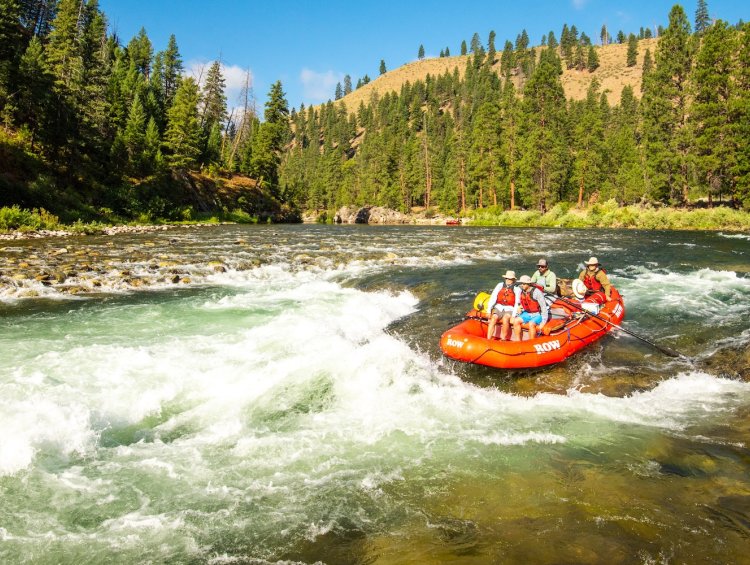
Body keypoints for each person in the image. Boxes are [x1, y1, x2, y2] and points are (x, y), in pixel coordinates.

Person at [485, 270, 521, 340]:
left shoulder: (517, 289)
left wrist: (513, 316)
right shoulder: (500, 285)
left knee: (505, 318)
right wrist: (488, 310)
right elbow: (493, 297)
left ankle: (503, 339)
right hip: (499, 307)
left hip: (510, 308)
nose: (507, 280)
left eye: (510, 279)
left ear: (513, 280)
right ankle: (488, 338)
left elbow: (517, 303)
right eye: (506, 278)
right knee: (494, 318)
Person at [511, 275, 549, 341]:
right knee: (516, 321)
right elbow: (523, 303)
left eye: (523, 284)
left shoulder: (537, 292)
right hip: (527, 313)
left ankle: (531, 342)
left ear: (528, 284)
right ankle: (518, 341)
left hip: (537, 314)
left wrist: (543, 322)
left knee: (531, 324)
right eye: (521, 283)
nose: (522, 285)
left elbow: (543, 307)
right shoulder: (522, 291)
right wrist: (520, 308)